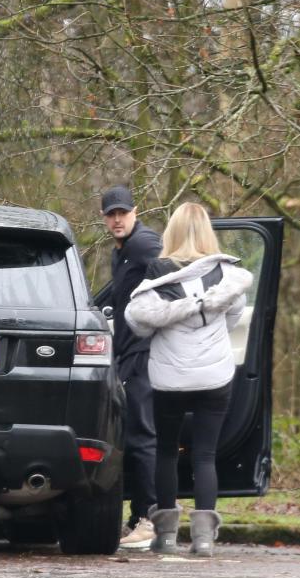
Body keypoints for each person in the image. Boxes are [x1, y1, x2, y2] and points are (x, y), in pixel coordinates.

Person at [124, 202, 252, 556]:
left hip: (169, 379)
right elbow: (233, 317)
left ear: (173, 232)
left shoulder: (158, 274)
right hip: (215, 376)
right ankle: (204, 539)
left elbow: (138, 324)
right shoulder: (225, 275)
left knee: (166, 451)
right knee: (205, 455)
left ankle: (165, 537)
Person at [99, 185, 162, 549]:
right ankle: (139, 515)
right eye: (111, 214)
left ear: (135, 211)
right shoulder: (121, 252)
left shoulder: (144, 243)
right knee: (133, 437)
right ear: (104, 217)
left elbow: (173, 272)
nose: (118, 219)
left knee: (142, 438)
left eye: (123, 212)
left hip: (143, 354)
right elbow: (115, 293)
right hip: (127, 354)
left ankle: (148, 519)